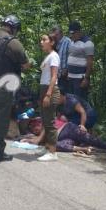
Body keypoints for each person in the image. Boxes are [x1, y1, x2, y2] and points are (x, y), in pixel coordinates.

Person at [0, 14, 30, 162]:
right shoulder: (14, 43)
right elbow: (26, 65)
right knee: (0, 120)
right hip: (2, 87)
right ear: (14, 28)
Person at [23, 115, 106, 157]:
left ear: (39, 123)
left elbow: (45, 131)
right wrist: (26, 139)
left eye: (35, 127)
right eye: (33, 129)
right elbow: (33, 137)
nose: (34, 129)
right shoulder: (36, 133)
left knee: (92, 140)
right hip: (65, 139)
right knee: (53, 146)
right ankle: (83, 148)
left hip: (68, 129)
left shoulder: (44, 120)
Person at [36, 33, 61, 161]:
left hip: (49, 90)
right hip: (44, 88)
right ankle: (47, 147)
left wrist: (48, 94)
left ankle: (53, 152)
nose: (41, 42)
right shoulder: (48, 56)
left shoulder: (54, 57)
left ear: (52, 42)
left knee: (50, 122)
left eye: (44, 39)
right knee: (45, 120)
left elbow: (54, 76)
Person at [66, 20, 94, 100]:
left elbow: (90, 61)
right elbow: (70, 56)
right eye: (71, 33)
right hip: (70, 77)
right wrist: (68, 72)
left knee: (80, 101)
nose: (72, 35)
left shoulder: (88, 43)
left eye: (73, 33)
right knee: (71, 102)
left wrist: (86, 78)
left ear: (79, 31)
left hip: (80, 78)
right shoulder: (72, 42)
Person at [51, 25, 70, 94]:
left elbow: (71, 57)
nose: (56, 36)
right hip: (57, 75)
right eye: (54, 35)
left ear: (62, 33)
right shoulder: (55, 43)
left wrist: (67, 70)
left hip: (65, 75)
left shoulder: (67, 42)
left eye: (57, 34)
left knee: (65, 96)